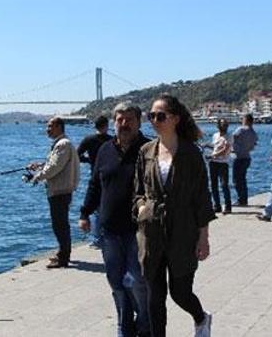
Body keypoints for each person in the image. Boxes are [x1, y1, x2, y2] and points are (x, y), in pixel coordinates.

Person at [133, 95, 216, 337]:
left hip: (182, 232)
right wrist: (140, 208)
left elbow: (202, 197)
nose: (155, 120)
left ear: (175, 119)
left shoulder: (191, 154)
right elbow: (137, 190)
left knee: (180, 292)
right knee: (154, 298)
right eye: (151, 116)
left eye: (160, 116)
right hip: (151, 233)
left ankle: (201, 318)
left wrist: (203, 237)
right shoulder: (145, 152)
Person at [79, 102, 150, 337]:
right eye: (119, 119)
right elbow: (95, 184)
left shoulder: (149, 149)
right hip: (108, 230)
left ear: (139, 122)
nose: (124, 124)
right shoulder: (105, 150)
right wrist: (85, 213)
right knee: (116, 281)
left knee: (137, 281)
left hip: (138, 230)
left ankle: (144, 323)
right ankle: (124, 325)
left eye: (129, 119)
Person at [28, 116, 81, 268]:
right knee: (60, 223)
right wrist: (39, 166)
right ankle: (62, 253)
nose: (47, 129)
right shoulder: (62, 144)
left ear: (59, 127)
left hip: (60, 191)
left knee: (60, 225)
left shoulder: (63, 144)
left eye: (50, 126)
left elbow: (54, 168)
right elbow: (53, 164)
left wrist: (37, 177)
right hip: (60, 190)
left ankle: (63, 257)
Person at [77, 115, 113, 248]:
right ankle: (106, 236)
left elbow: (77, 155)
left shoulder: (88, 139)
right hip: (110, 176)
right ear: (106, 126)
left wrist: (89, 160)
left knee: (96, 209)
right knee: (106, 207)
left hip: (95, 175)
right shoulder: (111, 140)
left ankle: (98, 239)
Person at [231, 113, 258, 206]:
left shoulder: (241, 129)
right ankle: (244, 199)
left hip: (239, 157)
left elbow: (233, 137)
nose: (242, 121)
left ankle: (240, 199)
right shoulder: (254, 133)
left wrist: (233, 148)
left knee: (236, 180)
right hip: (247, 157)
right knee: (243, 179)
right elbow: (254, 145)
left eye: (243, 119)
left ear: (246, 120)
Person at [207, 118, 231, 214]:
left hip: (223, 163)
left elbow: (226, 149)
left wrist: (213, 155)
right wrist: (206, 146)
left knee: (224, 185)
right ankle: (217, 206)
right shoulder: (215, 135)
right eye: (221, 124)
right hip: (213, 163)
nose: (223, 126)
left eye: (225, 124)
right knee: (213, 185)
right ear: (218, 126)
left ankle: (228, 207)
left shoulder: (229, 136)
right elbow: (215, 147)